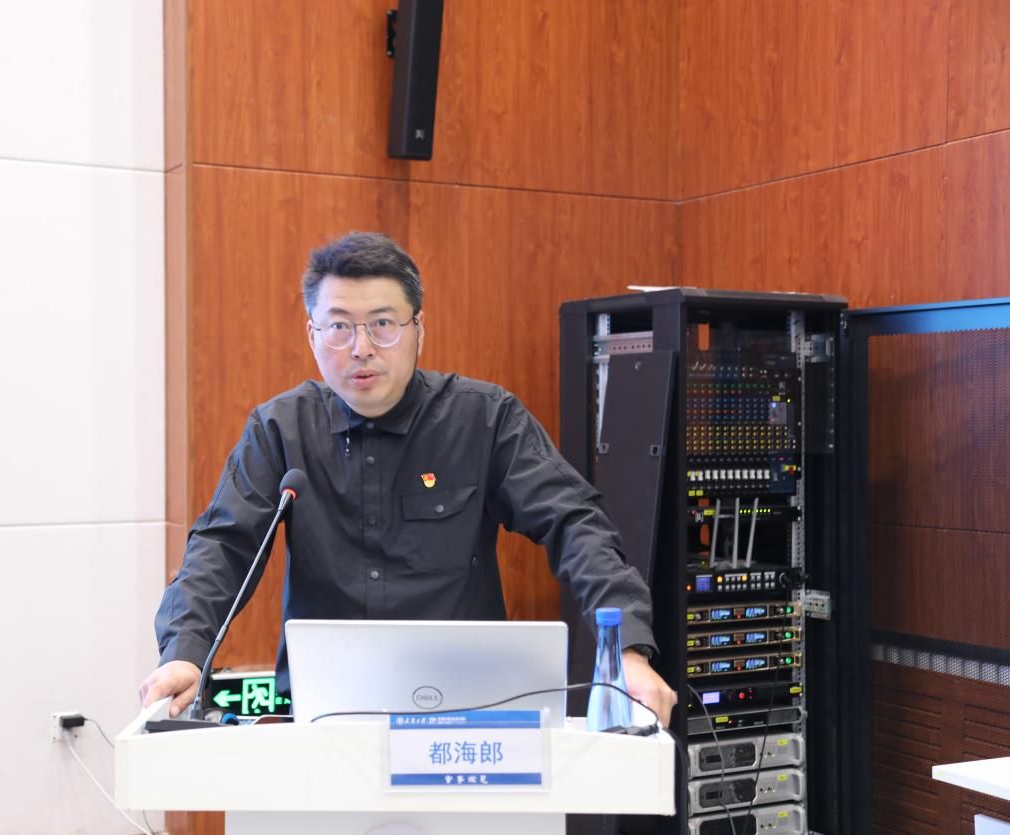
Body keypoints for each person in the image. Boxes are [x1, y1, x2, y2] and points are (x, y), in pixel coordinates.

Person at [139, 232, 677, 725]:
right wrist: (185, 653)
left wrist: (626, 652)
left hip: (472, 716)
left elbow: (576, 524)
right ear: (312, 335)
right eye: (339, 326)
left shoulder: (485, 419)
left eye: (383, 324)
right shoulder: (280, 429)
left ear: (419, 328)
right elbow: (223, 545)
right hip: (330, 717)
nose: (361, 347)